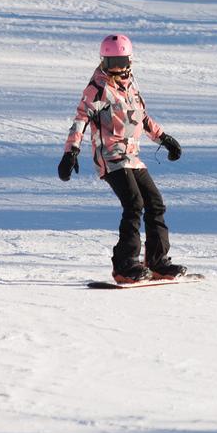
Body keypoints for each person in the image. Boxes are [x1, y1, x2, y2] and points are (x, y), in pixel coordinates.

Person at [58, 34, 186, 283]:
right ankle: (124, 266)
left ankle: (157, 261)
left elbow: (142, 117)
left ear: (129, 60)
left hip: (131, 156)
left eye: (120, 61)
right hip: (110, 157)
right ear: (102, 61)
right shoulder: (98, 88)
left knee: (155, 203)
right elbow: (81, 119)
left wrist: (164, 138)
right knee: (134, 203)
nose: (115, 67)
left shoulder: (131, 85)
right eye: (110, 61)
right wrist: (71, 152)